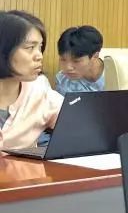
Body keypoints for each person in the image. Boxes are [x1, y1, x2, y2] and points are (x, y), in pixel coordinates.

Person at [0, 11, 62, 149]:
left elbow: (78, 122)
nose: (39, 56)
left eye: (40, 47)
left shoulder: (39, 90)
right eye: (30, 48)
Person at [55, 25, 105, 94]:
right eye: (63, 59)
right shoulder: (63, 80)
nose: (68, 68)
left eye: (76, 61)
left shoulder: (114, 74)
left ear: (95, 56)